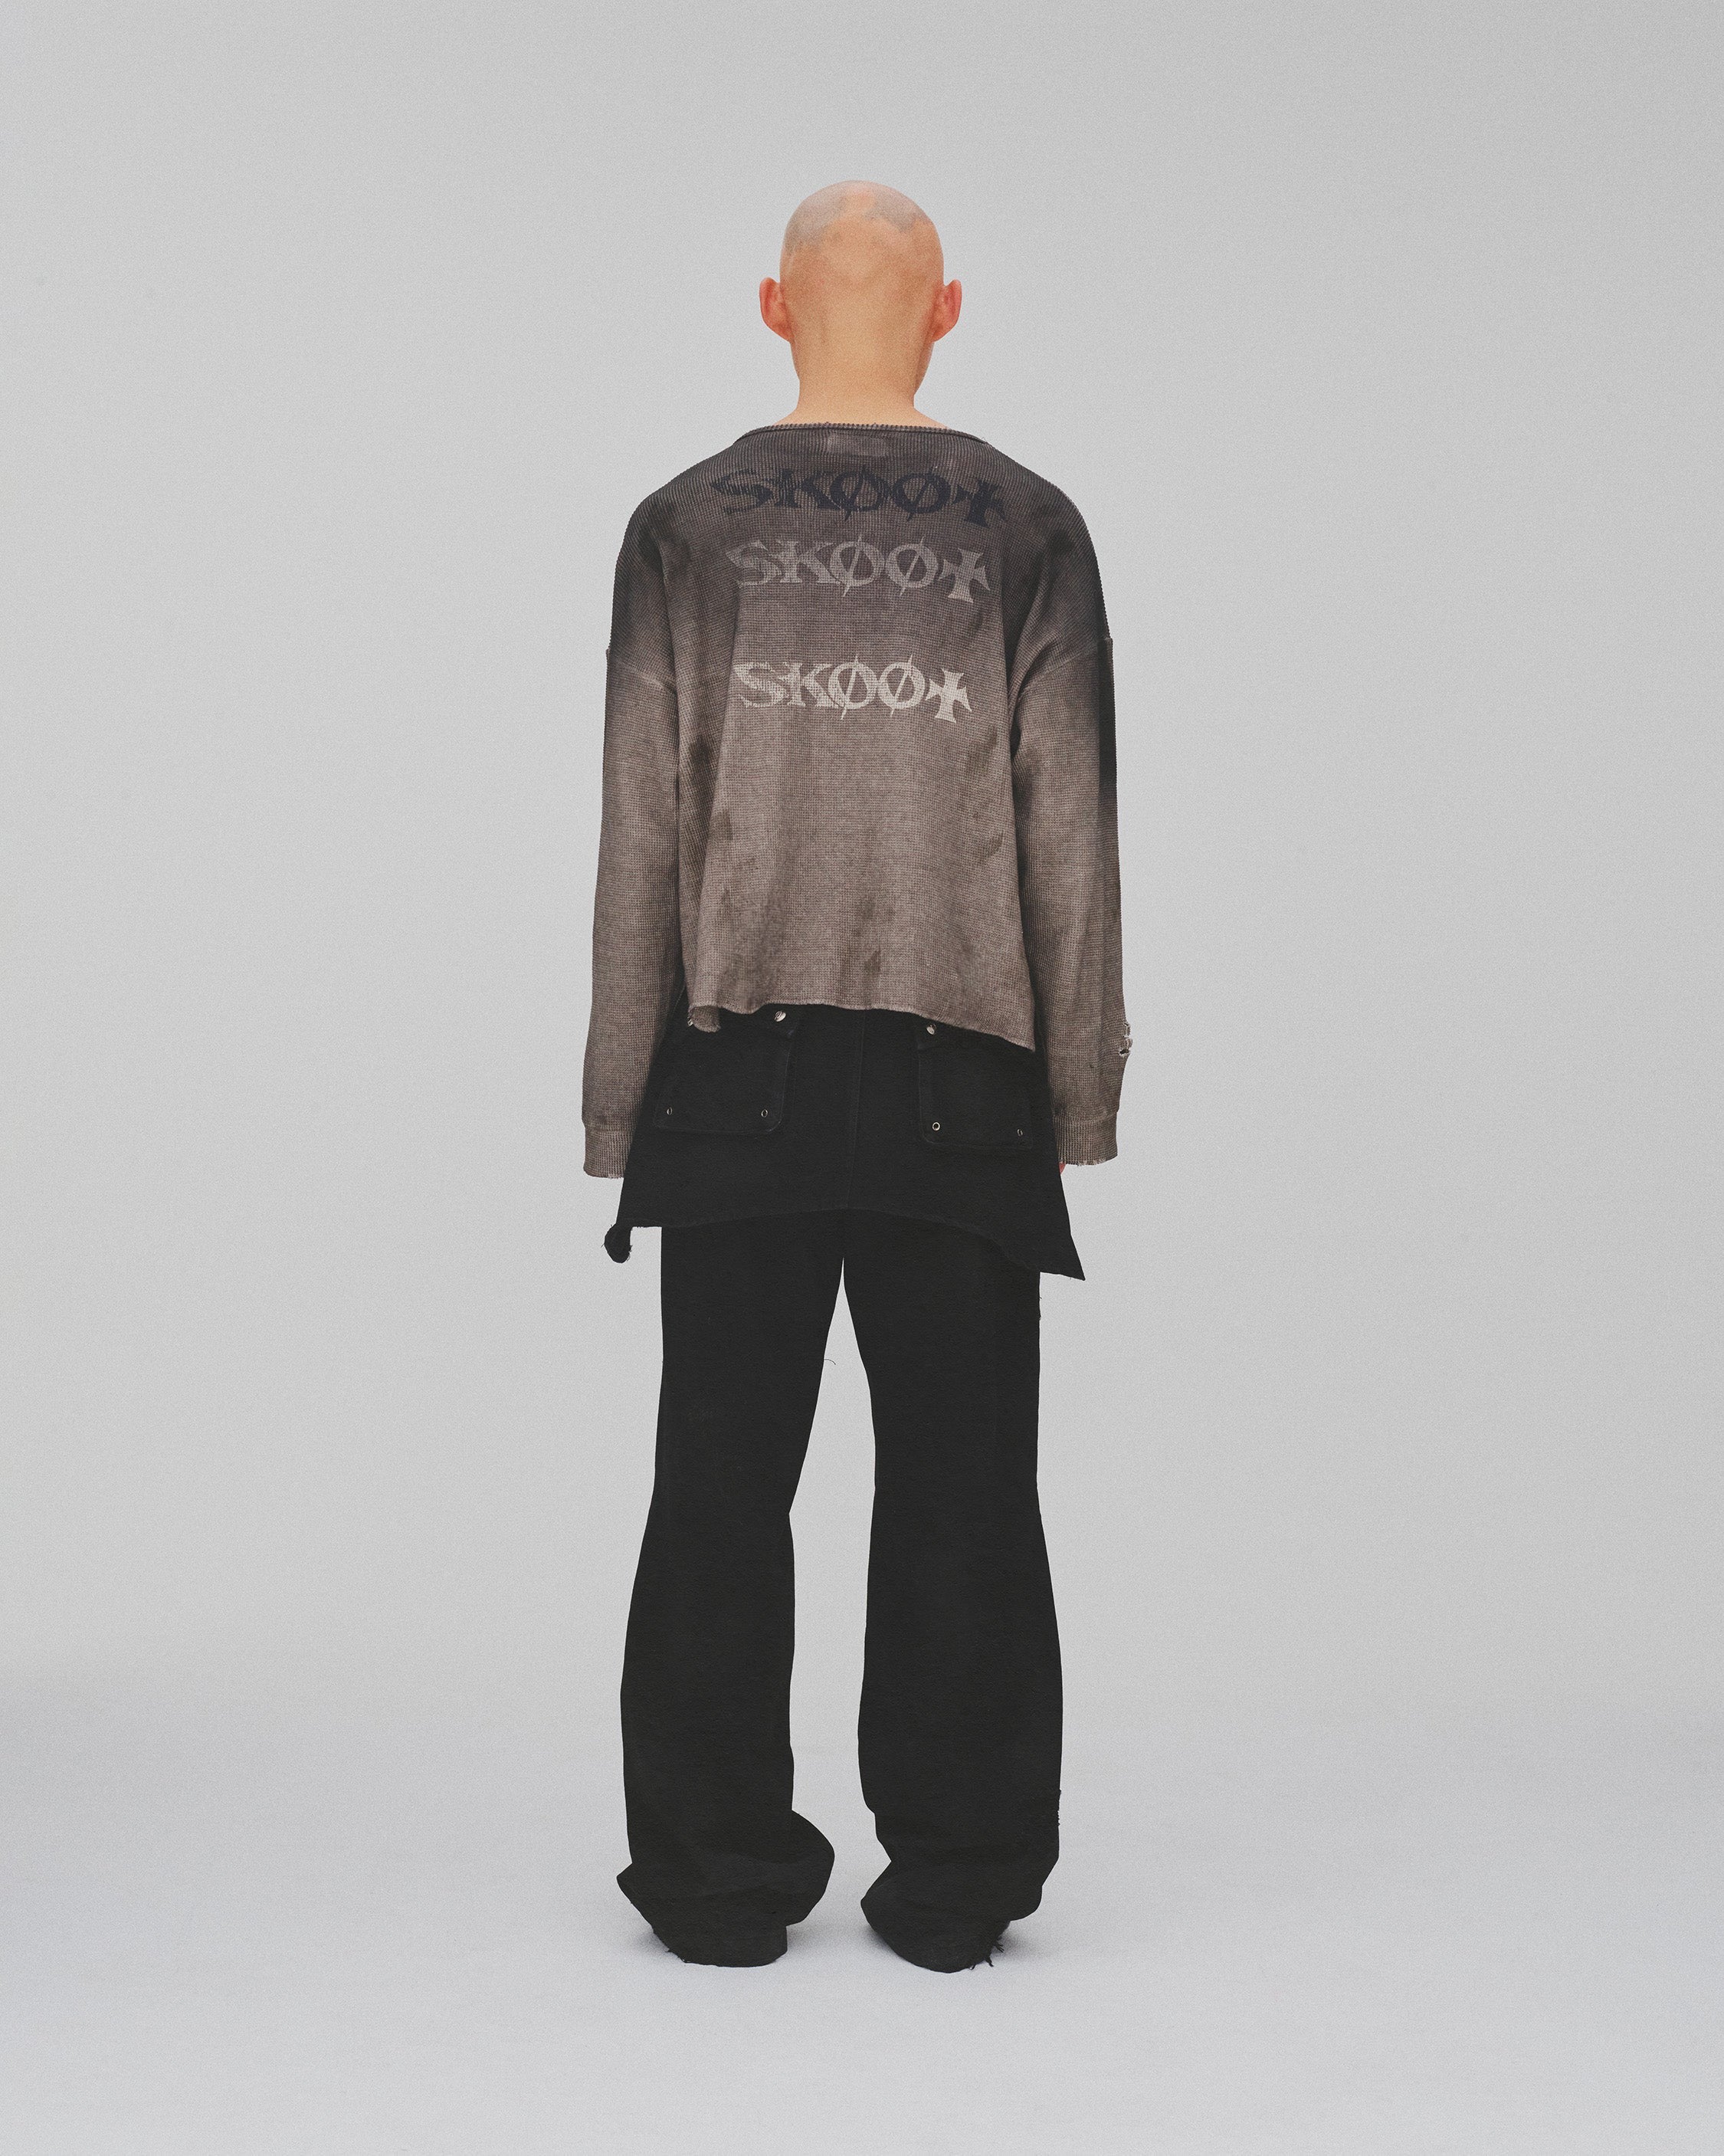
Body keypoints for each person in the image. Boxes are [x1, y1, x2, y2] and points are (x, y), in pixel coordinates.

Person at [581, 181, 1129, 1973]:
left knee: (718, 1489)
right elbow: (1071, 833)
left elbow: (643, 834)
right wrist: (1078, 1088)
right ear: (948, 312)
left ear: (772, 307)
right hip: (964, 1077)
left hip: (729, 1068)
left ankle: (713, 1876)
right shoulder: (1028, 528)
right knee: (967, 1489)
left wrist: (620, 1094)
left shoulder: (685, 528)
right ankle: (961, 1877)